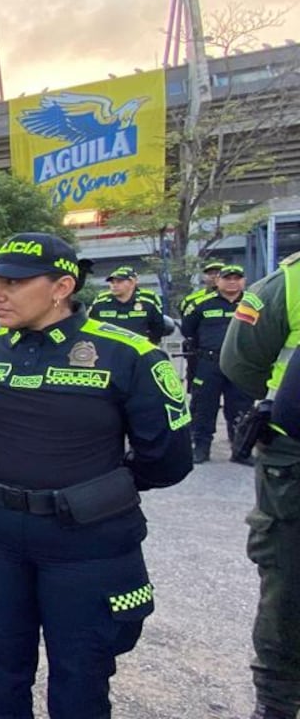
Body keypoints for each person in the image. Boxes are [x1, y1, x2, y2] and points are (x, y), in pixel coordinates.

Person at [0, 232, 193, 719]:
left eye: (13, 282)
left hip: (86, 545)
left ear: (61, 286)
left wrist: (99, 491)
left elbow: (169, 458)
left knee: (81, 676)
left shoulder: (128, 355)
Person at [220, 252, 300, 719]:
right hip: (294, 456)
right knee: (288, 577)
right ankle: (277, 698)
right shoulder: (288, 281)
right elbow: (242, 361)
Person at [182, 264, 253, 464]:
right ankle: (201, 448)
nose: (232, 282)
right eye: (227, 278)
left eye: (236, 278)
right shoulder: (202, 304)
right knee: (204, 407)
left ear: (243, 281)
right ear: (218, 281)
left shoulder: (253, 304)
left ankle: (240, 450)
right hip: (209, 362)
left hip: (241, 364)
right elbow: (189, 331)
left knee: (241, 407)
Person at [88, 267, 166, 345]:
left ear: (132, 283)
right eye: (112, 282)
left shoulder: (148, 304)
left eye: (119, 282)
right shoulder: (100, 304)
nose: (114, 285)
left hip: (138, 351)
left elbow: (158, 329)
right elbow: (89, 327)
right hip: (108, 351)